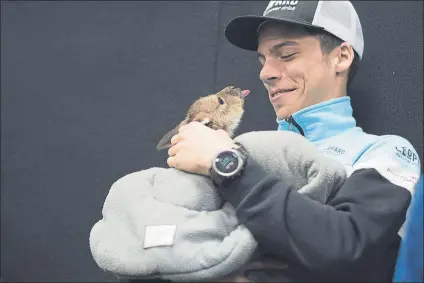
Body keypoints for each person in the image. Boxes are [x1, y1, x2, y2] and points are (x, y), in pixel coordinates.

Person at [166, 1, 422, 282]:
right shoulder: (248, 154)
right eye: (262, 61)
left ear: (342, 57)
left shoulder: (385, 153)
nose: (266, 73)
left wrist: (226, 165)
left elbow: (344, 245)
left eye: (286, 54)